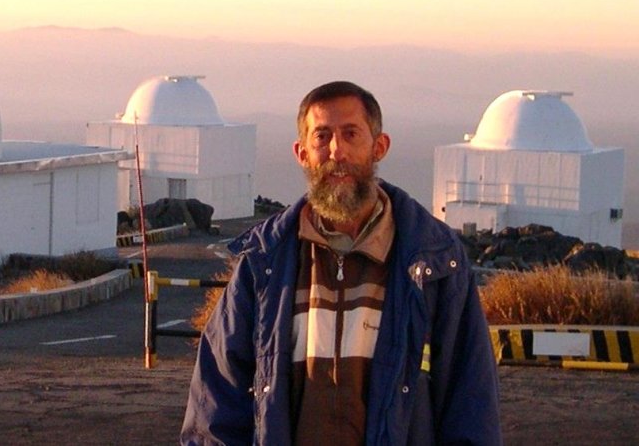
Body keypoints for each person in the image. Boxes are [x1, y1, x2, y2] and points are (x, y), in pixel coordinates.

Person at [181, 81, 501, 445]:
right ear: (302, 153)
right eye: (322, 137)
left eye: (351, 134)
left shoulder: (434, 263)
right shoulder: (263, 263)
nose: (337, 151)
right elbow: (217, 402)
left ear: (379, 147)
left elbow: (470, 403)